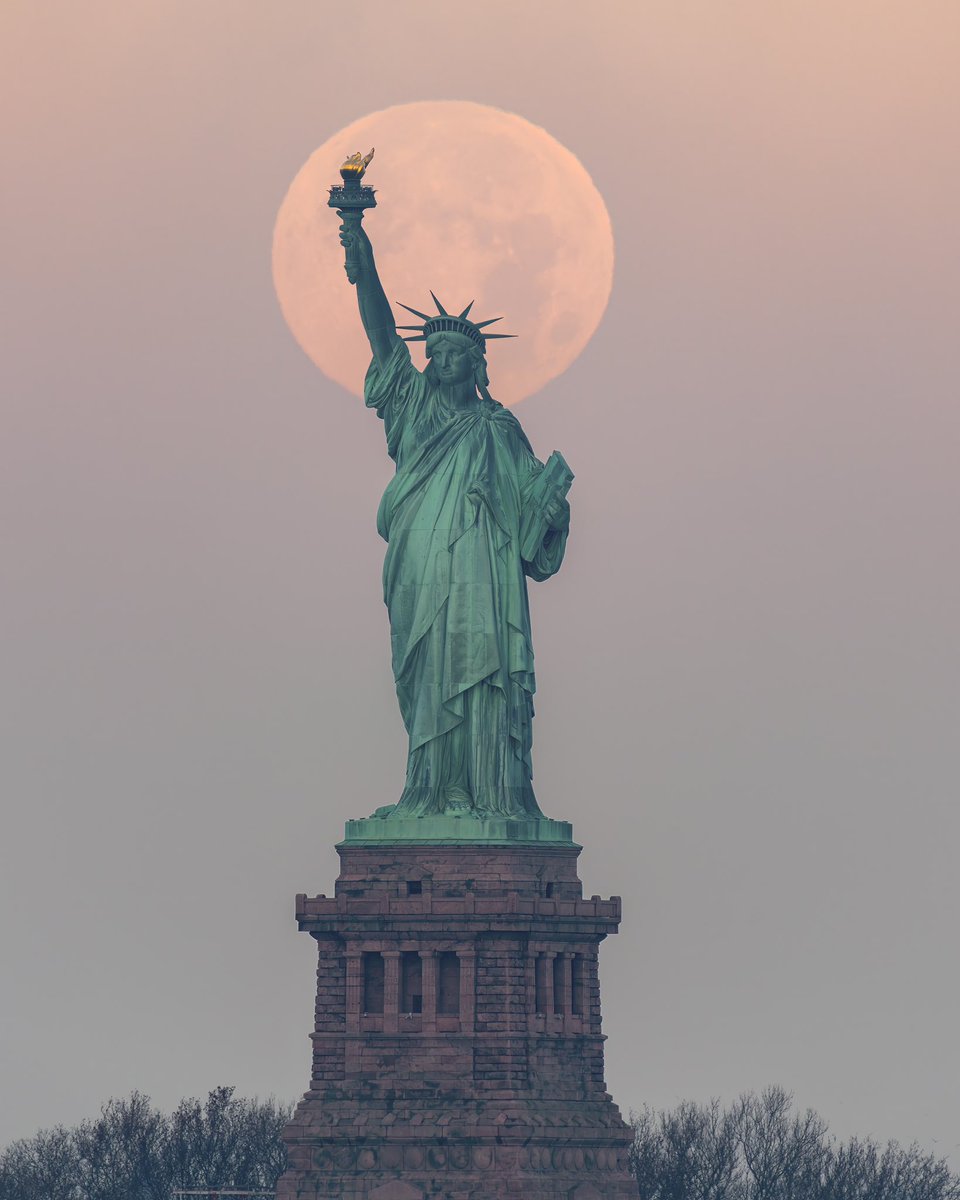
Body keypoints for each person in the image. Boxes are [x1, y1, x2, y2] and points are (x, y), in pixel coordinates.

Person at [338, 212, 570, 819]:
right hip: (419, 553)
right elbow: (381, 332)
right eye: (433, 353)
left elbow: (529, 528)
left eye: (452, 354)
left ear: (477, 363)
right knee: (425, 669)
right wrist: (361, 253)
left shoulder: (499, 428)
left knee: (481, 665)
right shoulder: (410, 405)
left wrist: (552, 504)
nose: (440, 362)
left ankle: (489, 791)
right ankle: (430, 789)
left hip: (482, 566)